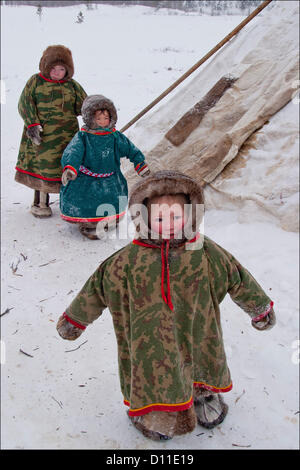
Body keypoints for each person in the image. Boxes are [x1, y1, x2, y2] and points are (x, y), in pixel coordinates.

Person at [56, 170, 276, 441]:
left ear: (191, 214)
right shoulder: (128, 261)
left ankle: (202, 394)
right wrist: (75, 320)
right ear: (144, 216)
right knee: (153, 370)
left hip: (198, 328)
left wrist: (259, 308)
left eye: (176, 216)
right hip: (148, 340)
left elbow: (237, 276)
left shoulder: (204, 251)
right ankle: (149, 409)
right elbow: (98, 287)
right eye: (159, 217)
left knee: (202, 359)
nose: (169, 223)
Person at [59, 94, 150, 240]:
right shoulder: (83, 137)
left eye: (106, 118)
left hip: (110, 177)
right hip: (87, 179)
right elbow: (73, 152)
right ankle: (88, 223)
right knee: (88, 201)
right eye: (98, 118)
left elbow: (130, 149)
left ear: (111, 117)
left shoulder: (115, 136)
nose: (102, 122)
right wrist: (70, 168)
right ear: (90, 118)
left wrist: (139, 163)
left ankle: (108, 219)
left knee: (110, 199)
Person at [15, 44, 87, 218]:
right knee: (42, 168)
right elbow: (24, 103)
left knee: (67, 168)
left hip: (67, 138)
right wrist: (32, 124)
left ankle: (68, 204)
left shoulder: (72, 86)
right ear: (45, 67)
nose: (56, 72)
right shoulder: (35, 82)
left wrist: (97, 117)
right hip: (42, 137)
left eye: (61, 69)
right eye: (53, 68)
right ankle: (40, 203)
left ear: (68, 70)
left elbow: (85, 106)